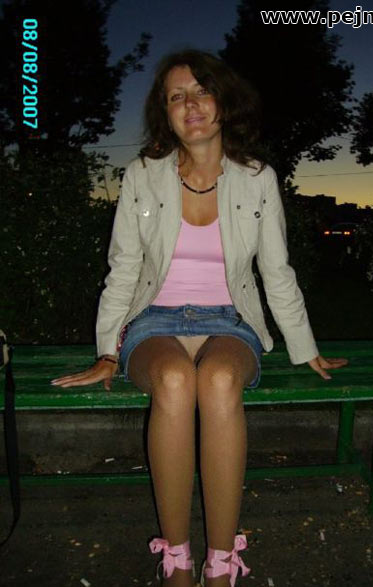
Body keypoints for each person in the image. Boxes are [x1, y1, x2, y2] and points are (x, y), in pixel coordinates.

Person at [51, 49, 348, 587]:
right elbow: (123, 267)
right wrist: (107, 350)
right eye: (176, 96)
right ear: (165, 113)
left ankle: (221, 559)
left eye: (201, 91)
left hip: (229, 320)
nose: (190, 104)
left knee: (218, 378)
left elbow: (276, 270)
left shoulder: (257, 178)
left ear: (223, 102)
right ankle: (176, 557)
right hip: (154, 320)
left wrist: (304, 346)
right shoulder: (143, 175)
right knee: (172, 379)